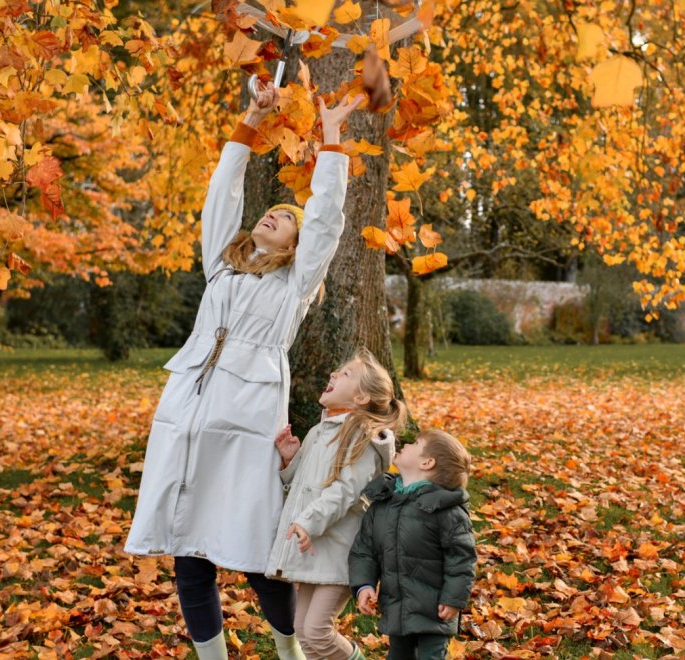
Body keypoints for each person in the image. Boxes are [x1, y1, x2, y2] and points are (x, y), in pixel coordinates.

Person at [123, 78, 366, 660]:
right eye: (269, 211)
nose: (272, 216)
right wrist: (250, 122)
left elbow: (327, 223)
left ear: (294, 244)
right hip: (186, 416)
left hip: (248, 421)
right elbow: (220, 196)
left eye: (285, 216)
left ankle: (291, 651)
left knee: (257, 550)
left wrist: (331, 145)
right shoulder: (221, 271)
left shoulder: (295, 288)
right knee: (188, 551)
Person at [266, 348, 407, 659]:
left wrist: (307, 521)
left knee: (317, 629)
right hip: (318, 547)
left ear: (360, 398)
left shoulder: (361, 436)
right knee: (302, 629)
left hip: (343, 549)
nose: (333, 374)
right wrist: (290, 460)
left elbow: (345, 491)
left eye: (346, 374)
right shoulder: (320, 431)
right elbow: (303, 484)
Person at [349, 430, 477, 660]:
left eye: (416, 443)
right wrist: (364, 584)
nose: (407, 444)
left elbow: (462, 559)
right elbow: (364, 550)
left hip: (435, 609)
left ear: (427, 463)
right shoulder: (383, 504)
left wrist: (453, 598)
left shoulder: (446, 511)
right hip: (397, 606)